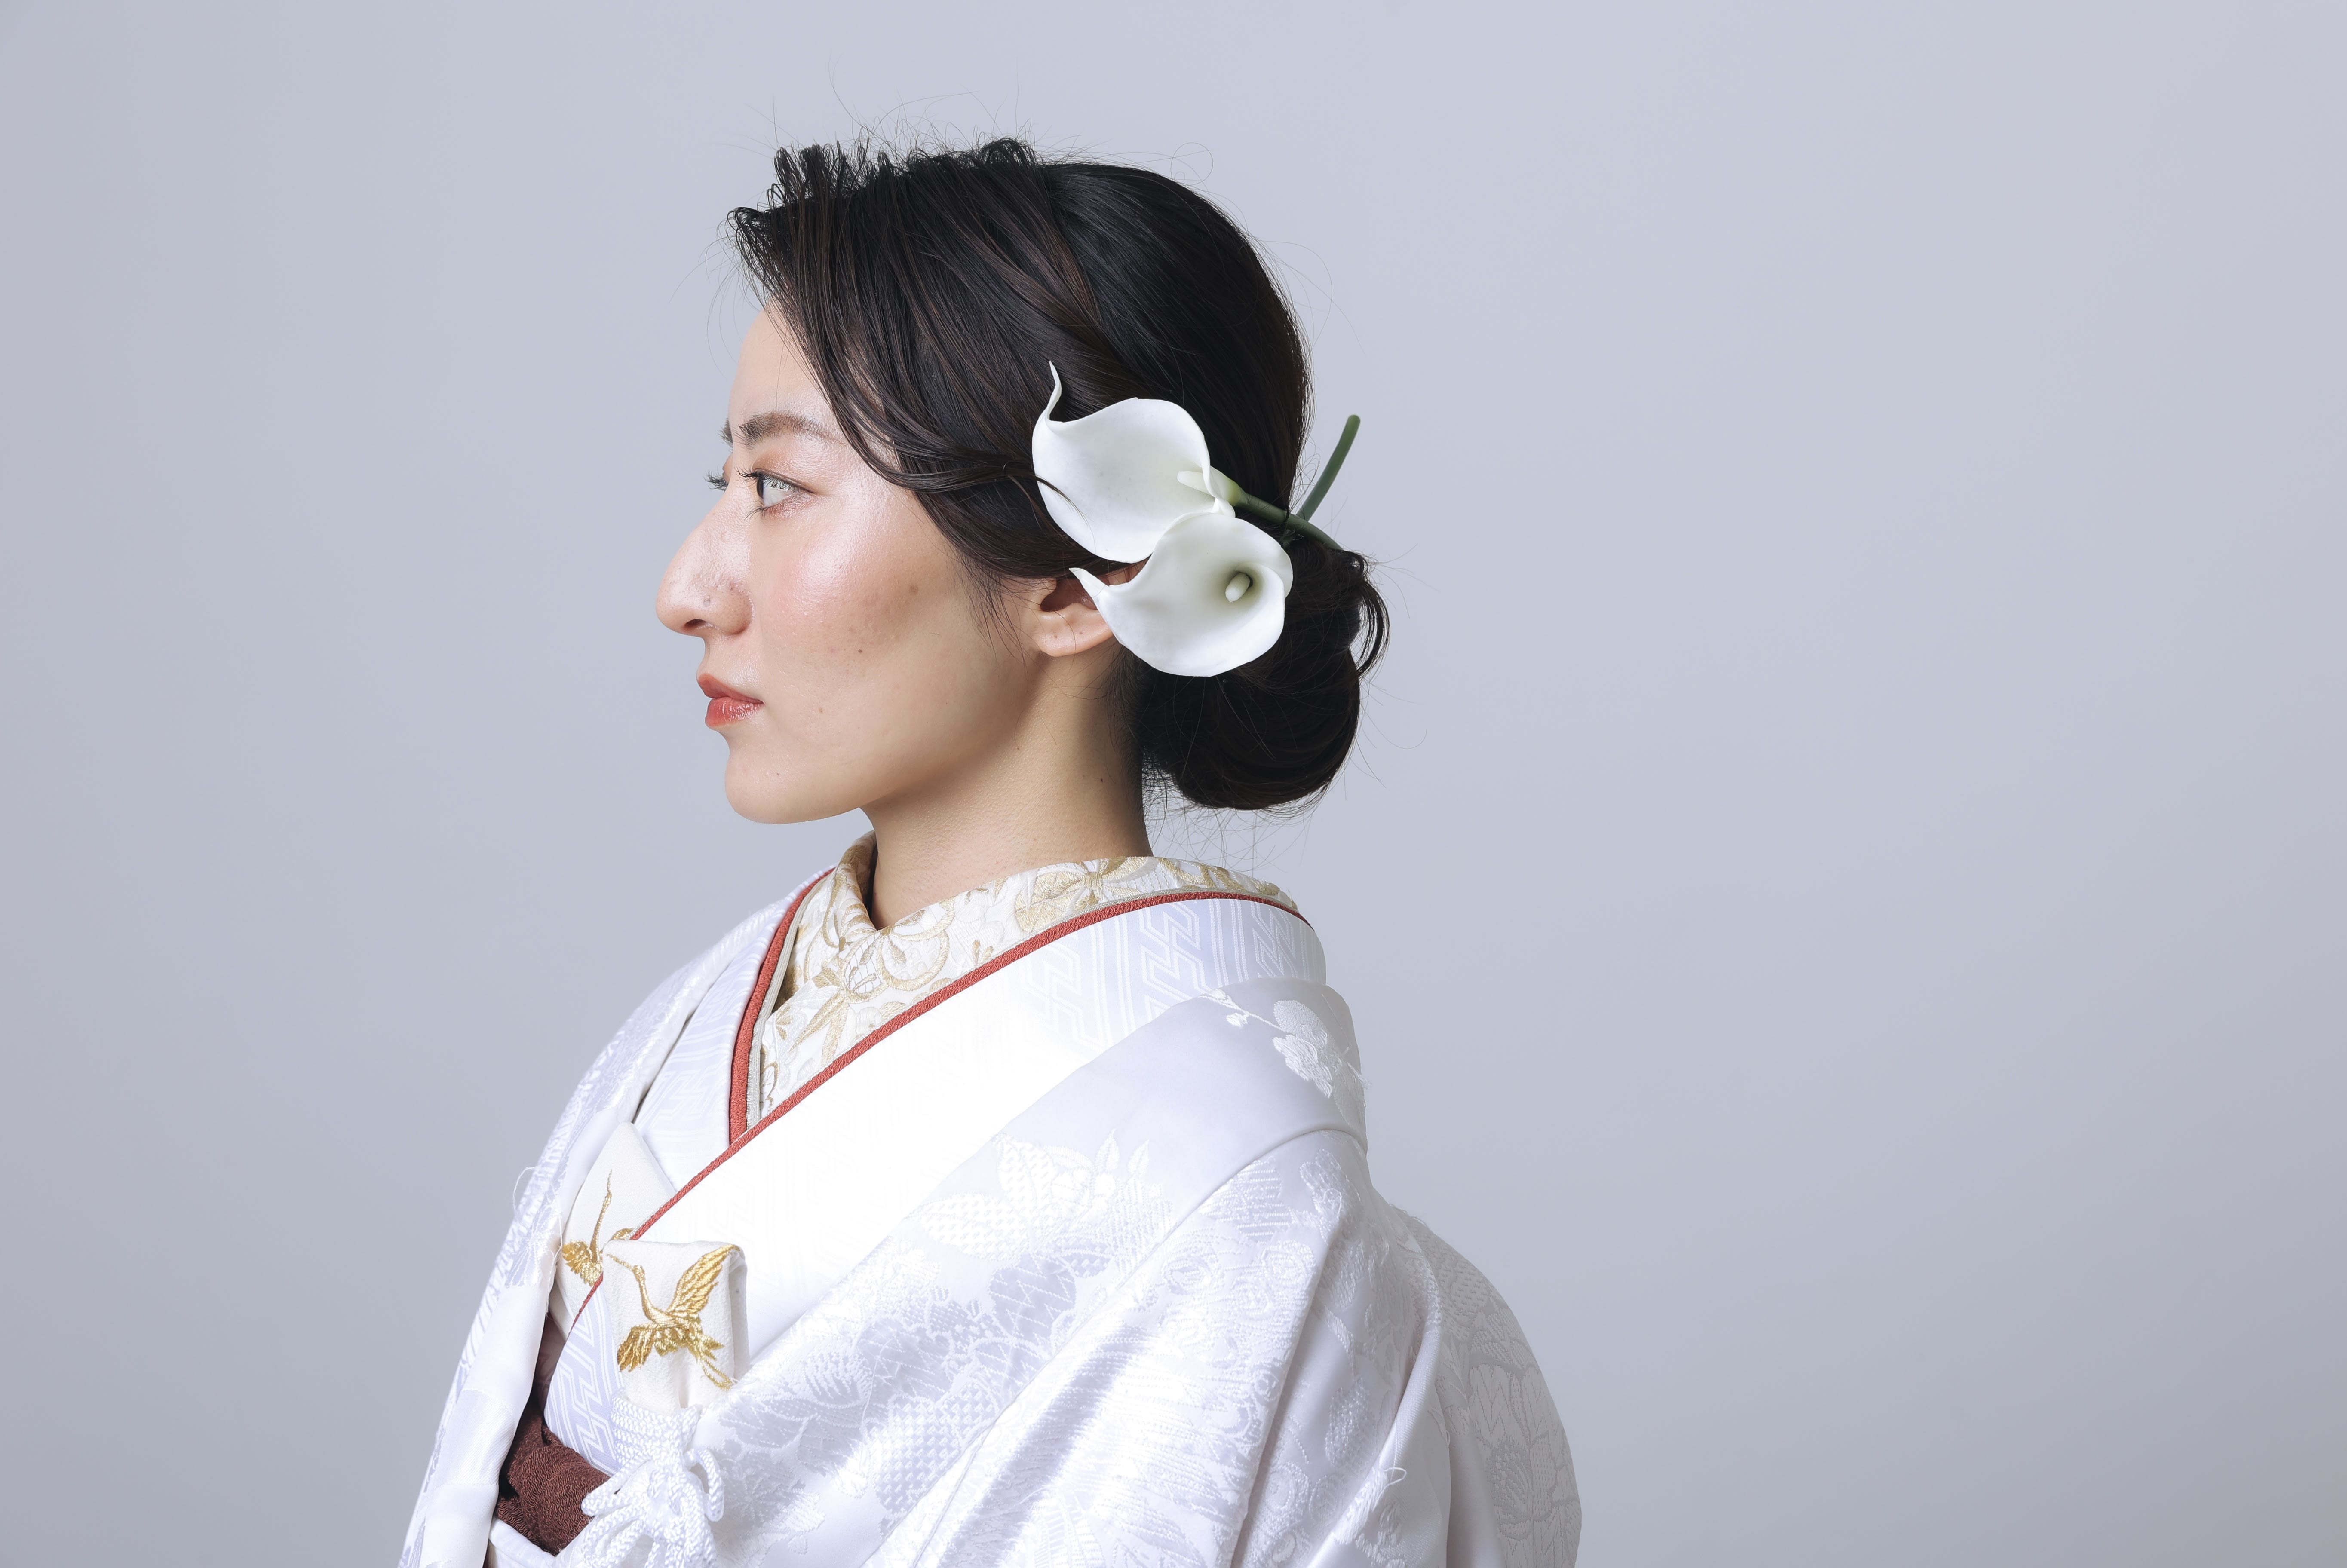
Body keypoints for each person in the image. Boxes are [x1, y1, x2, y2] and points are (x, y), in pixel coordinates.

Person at [402, 136, 1579, 1568]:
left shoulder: (1242, 1204)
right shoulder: (710, 1020)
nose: (687, 587)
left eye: (779, 487)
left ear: (1085, 583)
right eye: (726, 480)